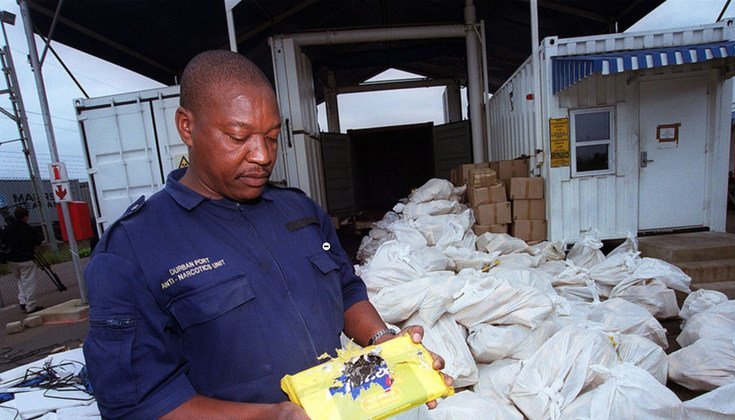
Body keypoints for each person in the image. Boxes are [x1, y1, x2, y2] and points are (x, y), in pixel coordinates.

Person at [83, 50, 452, 419]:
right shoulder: (133, 249)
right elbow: (139, 405)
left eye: (272, 137)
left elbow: (345, 291)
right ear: (186, 127)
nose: (261, 155)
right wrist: (271, 416)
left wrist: (385, 344)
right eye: (238, 136)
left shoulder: (299, 212)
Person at [2, 207, 44, 313]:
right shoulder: (27, 228)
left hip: (11, 259)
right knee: (29, 282)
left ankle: (23, 301)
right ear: (25, 217)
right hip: (25, 258)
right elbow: (38, 241)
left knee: (20, 280)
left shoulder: (7, 228)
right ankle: (31, 306)